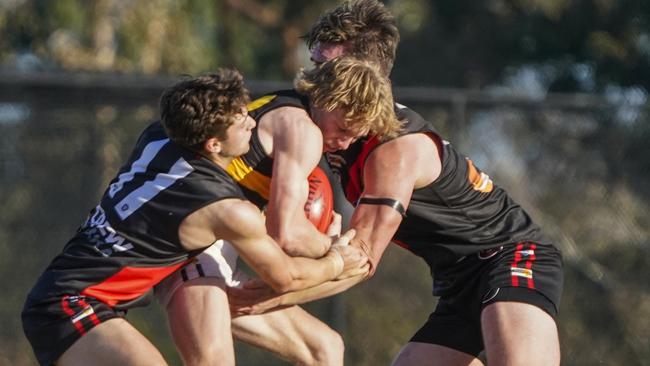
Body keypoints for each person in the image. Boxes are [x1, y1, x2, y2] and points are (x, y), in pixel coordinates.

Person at [229, 1, 565, 365]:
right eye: (314, 65)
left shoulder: (396, 149)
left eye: (326, 67)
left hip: (512, 256)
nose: (315, 80)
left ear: (367, 75)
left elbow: (360, 260)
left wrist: (273, 294)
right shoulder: (331, 123)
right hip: (458, 281)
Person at [21, 69, 367, 366]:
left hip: (79, 295)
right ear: (214, 144)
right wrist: (336, 262)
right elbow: (285, 277)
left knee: (325, 346)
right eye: (240, 120)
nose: (251, 121)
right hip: (69, 304)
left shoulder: (160, 137)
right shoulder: (222, 207)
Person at [155, 56, 398, 366]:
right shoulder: (303, 131)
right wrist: (335, 248)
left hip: (208, 246)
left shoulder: (282, 104)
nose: (344, 142)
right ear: (326, 98)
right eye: (343, 128)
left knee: (325, 349)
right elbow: (288, 235)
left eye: (355, 136)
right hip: (190, 248)